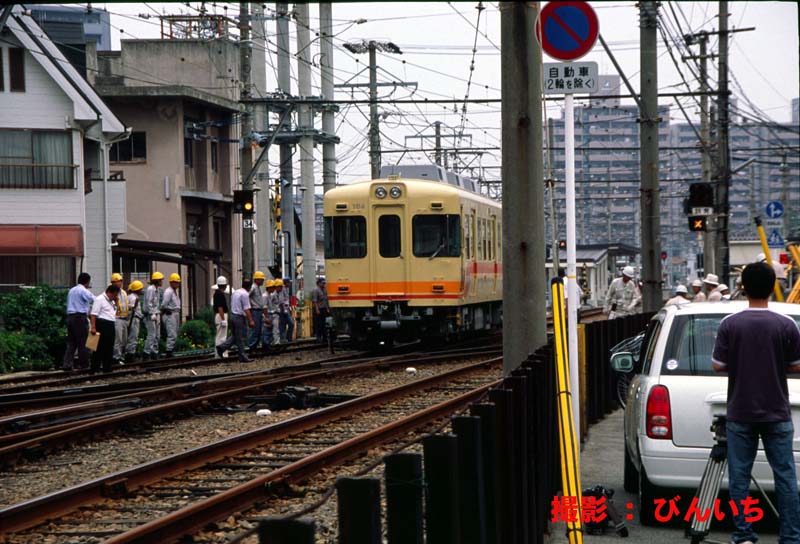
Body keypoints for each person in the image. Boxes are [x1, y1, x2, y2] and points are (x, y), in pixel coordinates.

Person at [712, 261, 800, 544]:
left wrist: (741, 362)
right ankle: (790, 537)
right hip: (777, 411)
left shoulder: (730, 324)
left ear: (744, 288)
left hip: (740, 411)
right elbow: (797, 364)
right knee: (785, 477)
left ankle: (744, 535)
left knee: (739, 477)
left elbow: (718, 365)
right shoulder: (786, 324)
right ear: (772, 288)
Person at [62, 272, 95, 371]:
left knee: (72, 343)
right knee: (83, 342)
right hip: (80, 318)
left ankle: (67, 364)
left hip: (70, 317)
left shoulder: (71, 290)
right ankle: (84, 364)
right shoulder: (83, 290)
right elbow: (94, 299)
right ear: (87, 281)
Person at [217, 279, 255, 362]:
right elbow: (246, 309)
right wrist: (251, 320)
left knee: (235, 336)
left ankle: (222, 347)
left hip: (233, 316)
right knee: (241, 337)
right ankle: (243, 356)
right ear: (249, 287)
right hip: (239, 317)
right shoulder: (245, 294)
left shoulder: (236, 292)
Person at [89, 284, 120, 373]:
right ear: (110, 292)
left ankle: (107, 367)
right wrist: (93, 327)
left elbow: (116, 312)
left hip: (110, 324)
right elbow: (93, 314)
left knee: (109, 347)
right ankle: (95, 368)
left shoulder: (112, 301)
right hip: (102, 324)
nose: (115, 297)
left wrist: (116, 302)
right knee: (99, 347)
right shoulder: (100, 299)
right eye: (115, 295)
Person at [142, 272, 164, 360]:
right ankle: (146, 353)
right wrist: (152, 313)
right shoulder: (150, 289)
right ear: (157, 281)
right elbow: (148, 302)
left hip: (156, 313)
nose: (162, 281)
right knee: (151, 334)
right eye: (161, 280)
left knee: (157, 335)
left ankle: (154, 352)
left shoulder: (157, 290)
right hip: (150, 315)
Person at [110, 273, 129, 365]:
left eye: (121, 281)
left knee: (124, 339)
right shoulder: (111, 293)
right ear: (113, 283)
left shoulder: (123, 292)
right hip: (117, 318)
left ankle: (121, 355)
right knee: (118, 339)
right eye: (118, 281)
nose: (120, 283)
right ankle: (116, 357)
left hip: (125, 318)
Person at [161, 273, 181, 357]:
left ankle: (171, 349)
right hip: (170, 314)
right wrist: (166, 310)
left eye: (178, 282)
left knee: (175, 333)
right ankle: (169, 351)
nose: (177, 284)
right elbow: (163, 304)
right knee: (171, 333)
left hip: (175, 313)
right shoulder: (168, 292)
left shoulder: (174, 291)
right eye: (176, 282)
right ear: (171, 282)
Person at [125, 280, 144, 362]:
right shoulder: (134, 298)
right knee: (133, 337)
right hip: (134, 319)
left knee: (131, 337)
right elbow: (132, 308)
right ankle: (130, 355)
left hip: (132, 318)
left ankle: (130, 353)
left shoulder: (130, 296)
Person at [248, 271, 267, 350]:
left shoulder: (257, 288)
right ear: (257, 279)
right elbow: (247, 296)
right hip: (255, 310)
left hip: (258, 310)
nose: (263, 281)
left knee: (259, 329)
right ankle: (252, 346)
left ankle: (255, 346)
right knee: (255, 329)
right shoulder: (253, 287)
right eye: (261, 279)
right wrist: (250, 304)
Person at [212, 276, 229, 358]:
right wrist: (223, 319)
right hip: (221, 315)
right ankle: (221, 353)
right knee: (222, 336)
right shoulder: (220, 294)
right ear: (225, 285)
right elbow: (220, 307)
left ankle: (219, 353)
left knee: (220, 335)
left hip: (219, 315)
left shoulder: (216, 293)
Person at [312, 277, 330, 343]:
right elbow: (315, 301)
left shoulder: (325, 290)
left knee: (324, 324)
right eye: (322, 283)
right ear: (319, 283)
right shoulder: (316, 290)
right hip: (318, 309)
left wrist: (327, 308)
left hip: (324, 309)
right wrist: (317, 310)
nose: (324, 284)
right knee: (318, 324)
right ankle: (318, 337)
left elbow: (326, 300)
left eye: (324, 283)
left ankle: (324, 337)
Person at [264, 279, 281, 346]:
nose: (274, 289)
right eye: (273, 287)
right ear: (269, 287)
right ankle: (266, 345)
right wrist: (267, 317)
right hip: (268, 314)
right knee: (267, 331)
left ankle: (270, 344)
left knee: (270, 331)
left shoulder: (270, 295)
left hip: (271, 314)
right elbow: (265, 307)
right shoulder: (265, 296)